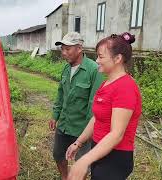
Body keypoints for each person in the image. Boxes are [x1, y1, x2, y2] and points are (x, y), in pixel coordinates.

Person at [65, 32, 142, 180]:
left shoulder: (125, 87)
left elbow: (116, 134)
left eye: (101, 56)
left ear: (118, 58)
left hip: (115, 156)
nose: (97, 60)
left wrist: (85, 160)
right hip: (100, 149)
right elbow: (97, 117)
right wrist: (79, 142)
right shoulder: (106, 83)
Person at [49, 32, 103, 180]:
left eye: (68, 49)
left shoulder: (93, 70)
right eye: (62, 49)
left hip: (82, 128)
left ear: (79, 48)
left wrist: (86, 134)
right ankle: (65, 177)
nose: (63, 53)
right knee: (58, 154)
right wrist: (55, 115)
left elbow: (94, 104)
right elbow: (61, 94)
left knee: (81, 162)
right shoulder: (66, 69)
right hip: (64, 125)